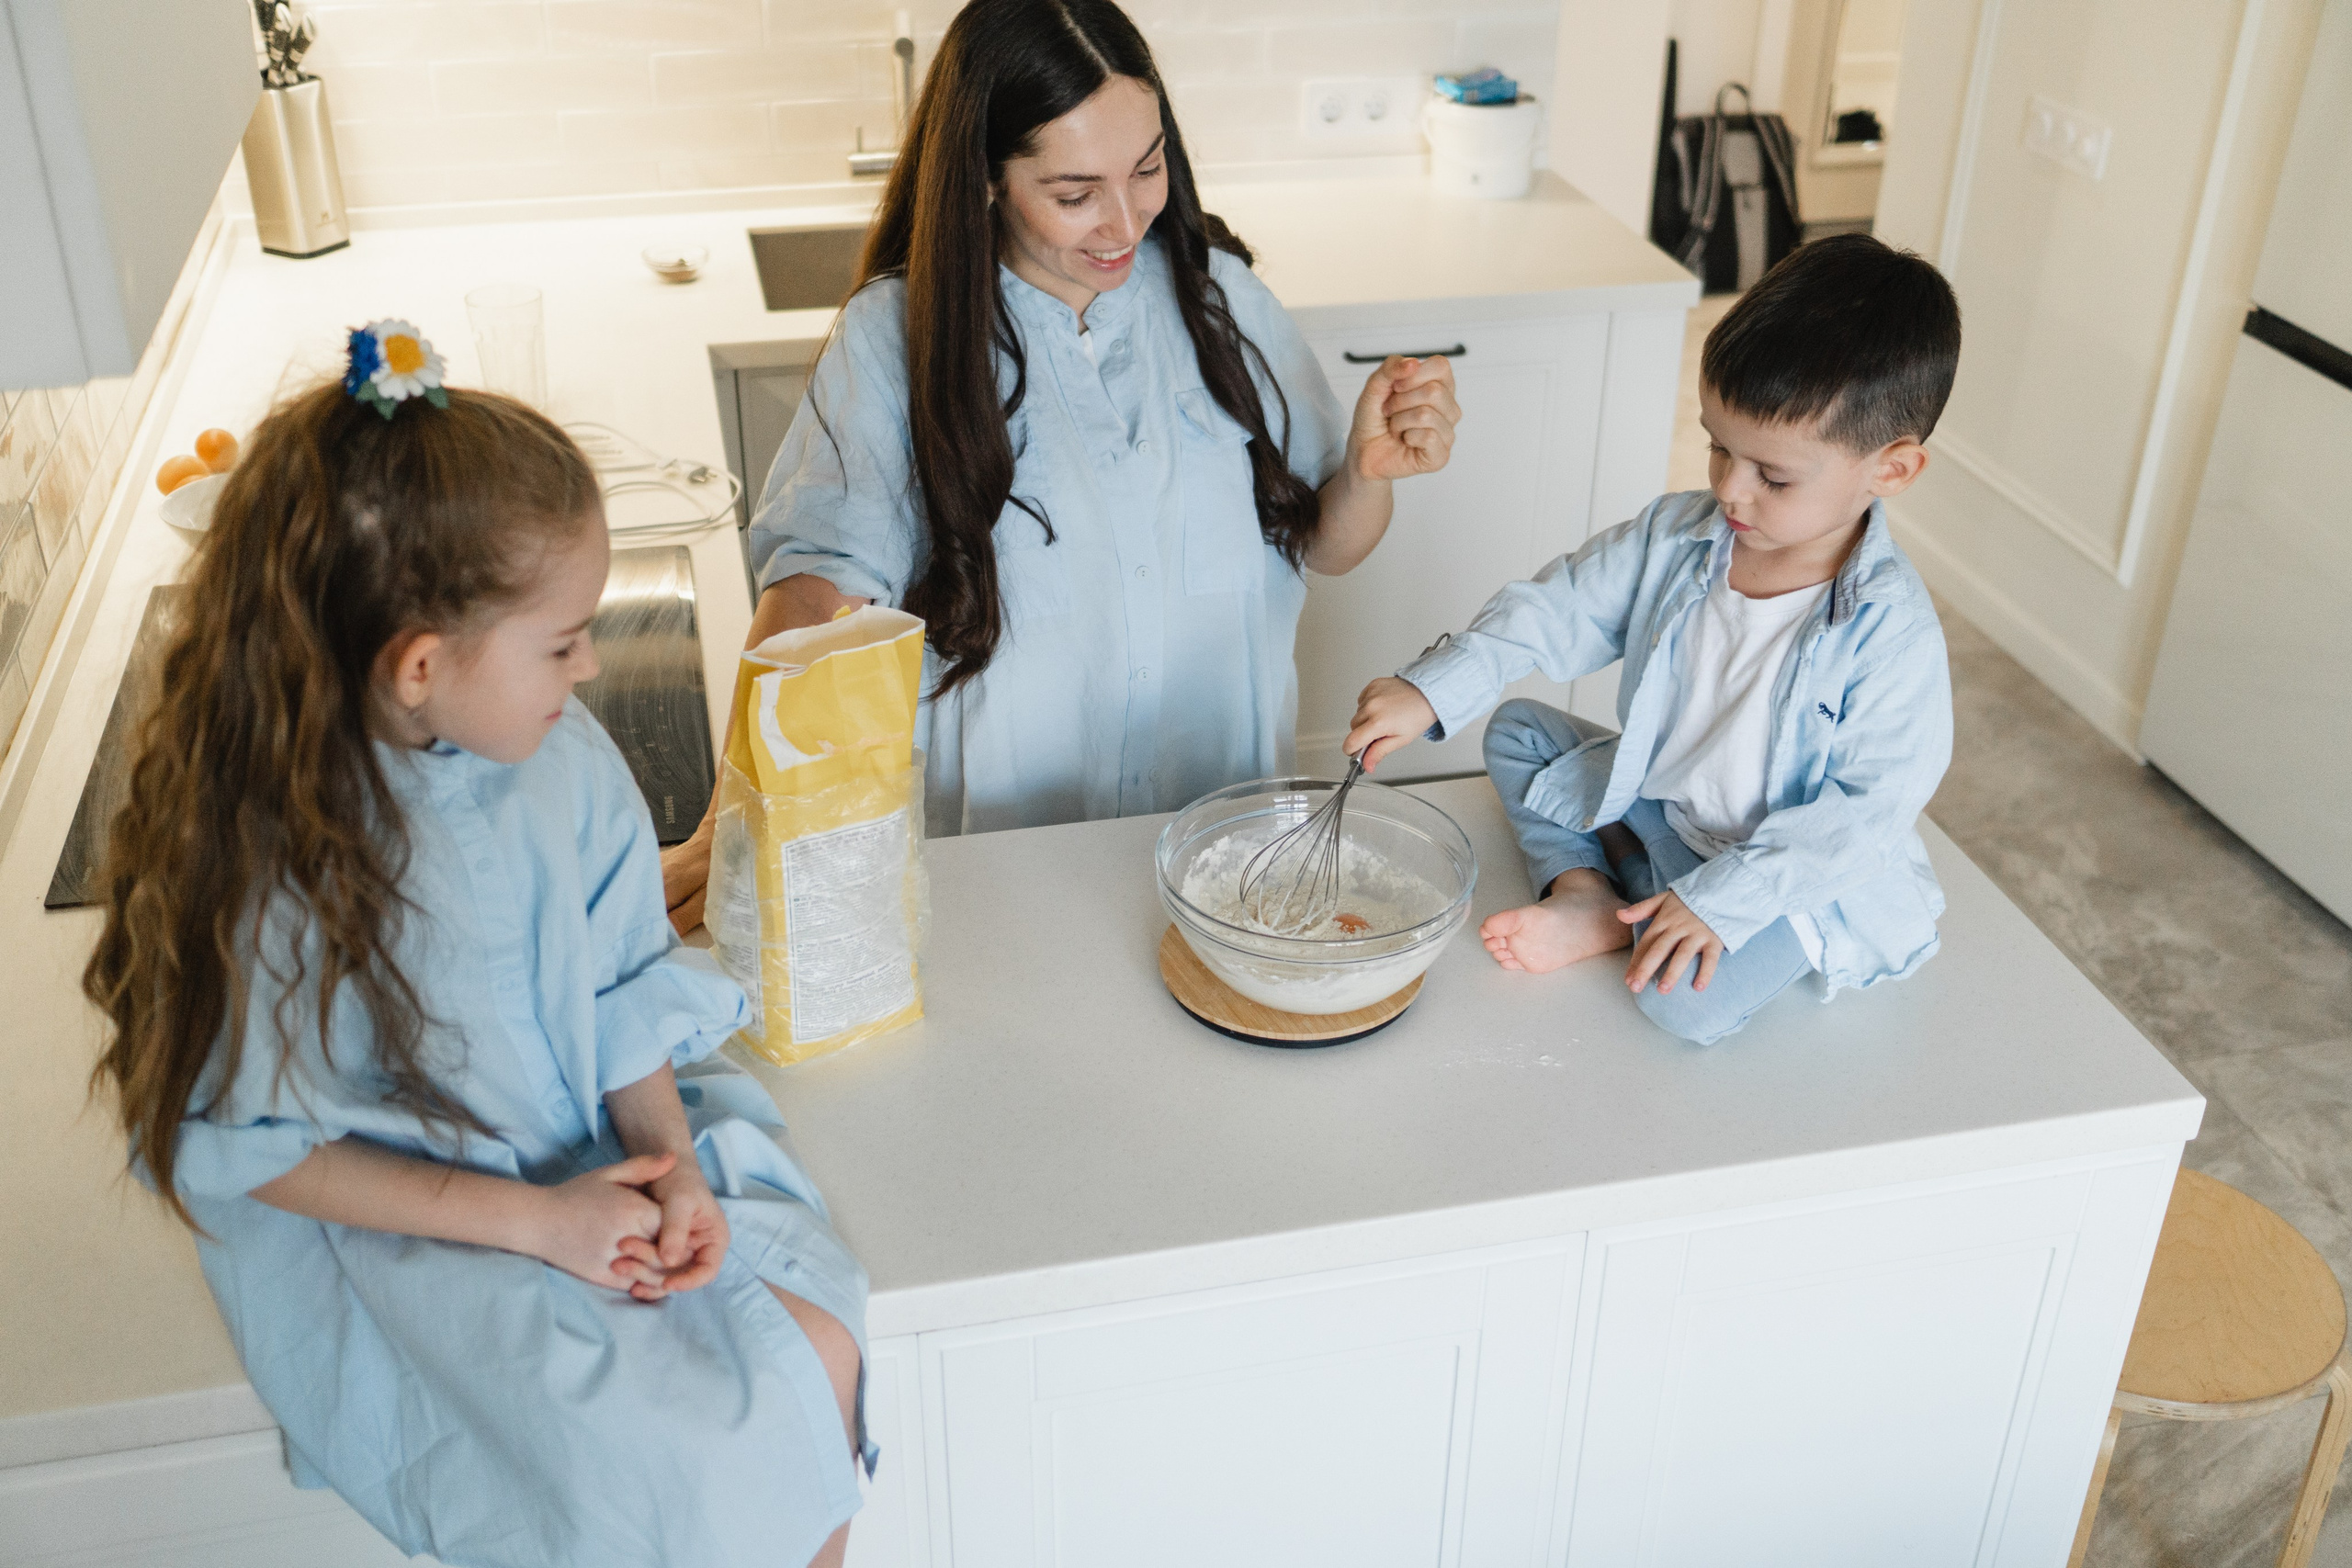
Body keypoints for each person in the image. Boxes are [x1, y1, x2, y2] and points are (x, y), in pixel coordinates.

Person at [83, 330, 871, 1568]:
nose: (592, 663)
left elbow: (622, 991)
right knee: (677, 1458)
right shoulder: (289, 864)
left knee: (823, 1335)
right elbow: (257, 1152)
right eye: (561, 641)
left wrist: (668, 1161)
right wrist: (537, 1222)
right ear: (419, 665)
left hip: (587, 1141)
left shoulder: (567, 764)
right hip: (432, 1207)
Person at [661, 0, 1460, 931]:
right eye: (1075, 194)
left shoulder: (1219, 301)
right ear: (987, 180)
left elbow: (1323, 546)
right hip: (1001, 865)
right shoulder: (898, 338)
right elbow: (812, 589)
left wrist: (1367, 473)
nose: (1125, 221)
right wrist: (734, 812)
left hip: (1215, 847)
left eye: (1148, 167)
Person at [1346, 235, 1962, 1044]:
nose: (1728, 489)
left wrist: (1721, 900)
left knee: (1683, 1004)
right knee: (1519, 731)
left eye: (1772, 477)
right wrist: (1433, 687)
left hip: (1785, 872)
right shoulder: (1679, 536)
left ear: (1893, 470)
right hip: (1672, 811)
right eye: (1717, 446)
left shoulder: (1893, 633)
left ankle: (1638, 901)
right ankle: (1594, 898)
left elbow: (1864, 816)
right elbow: (1556, 608)